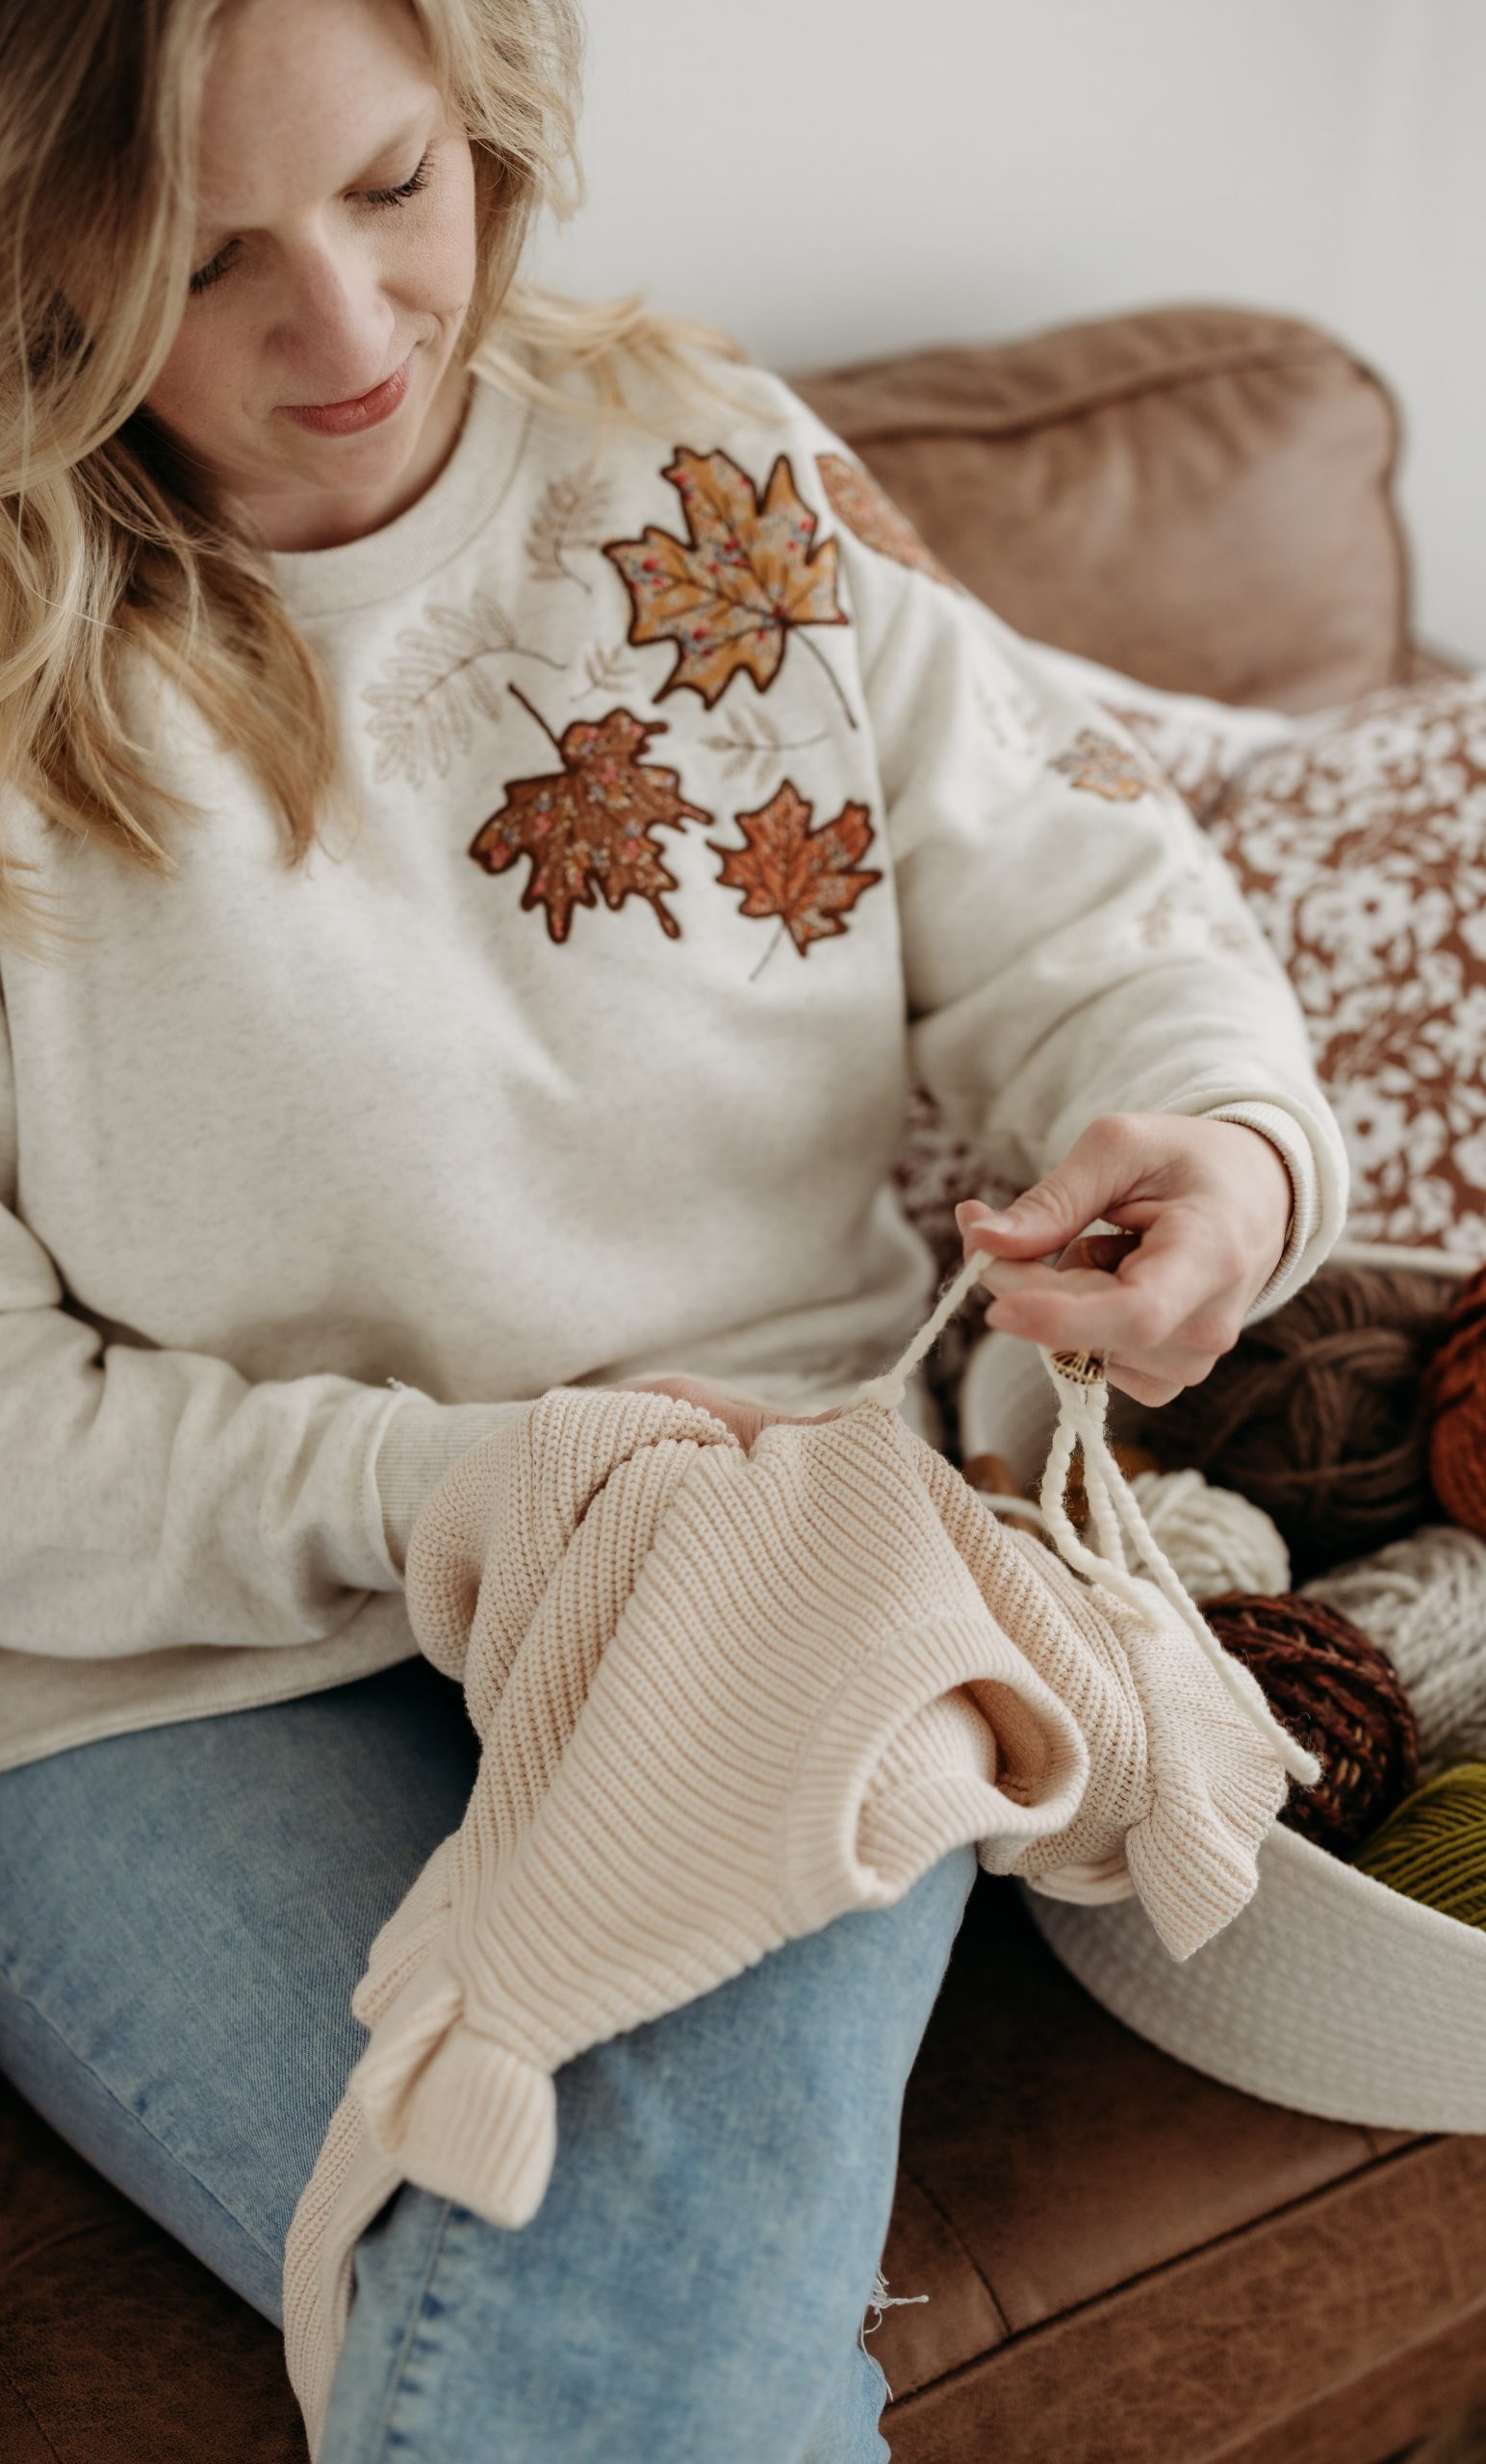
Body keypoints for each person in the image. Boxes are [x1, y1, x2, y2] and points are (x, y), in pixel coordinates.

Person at [0, 0, 1348, 2457]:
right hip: (161, 1667)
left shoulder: (705, 473)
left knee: (593, 2372)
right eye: (199, 260)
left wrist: (1224, 1152)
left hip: (777, 1568)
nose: (348, 323)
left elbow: (1092, 911)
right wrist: (468, 1489)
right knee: (635, 2383)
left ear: (485, 114)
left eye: (393, 185)